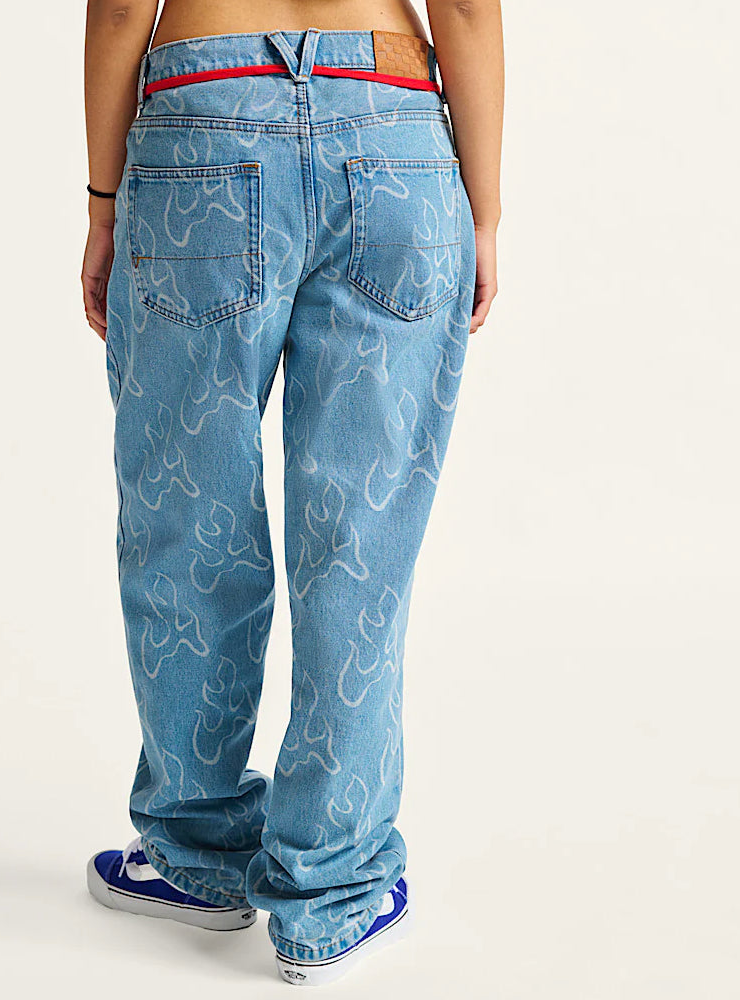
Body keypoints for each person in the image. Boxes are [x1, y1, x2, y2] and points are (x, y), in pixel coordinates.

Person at [80, 0, 503, 986]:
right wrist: (482, 211)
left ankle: (197, 854)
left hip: (201, 125)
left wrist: (104, 203)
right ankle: (333, 882)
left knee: (187, 520)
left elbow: (119, 9)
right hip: (392, 134)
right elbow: (465, 8)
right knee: (361, 542)